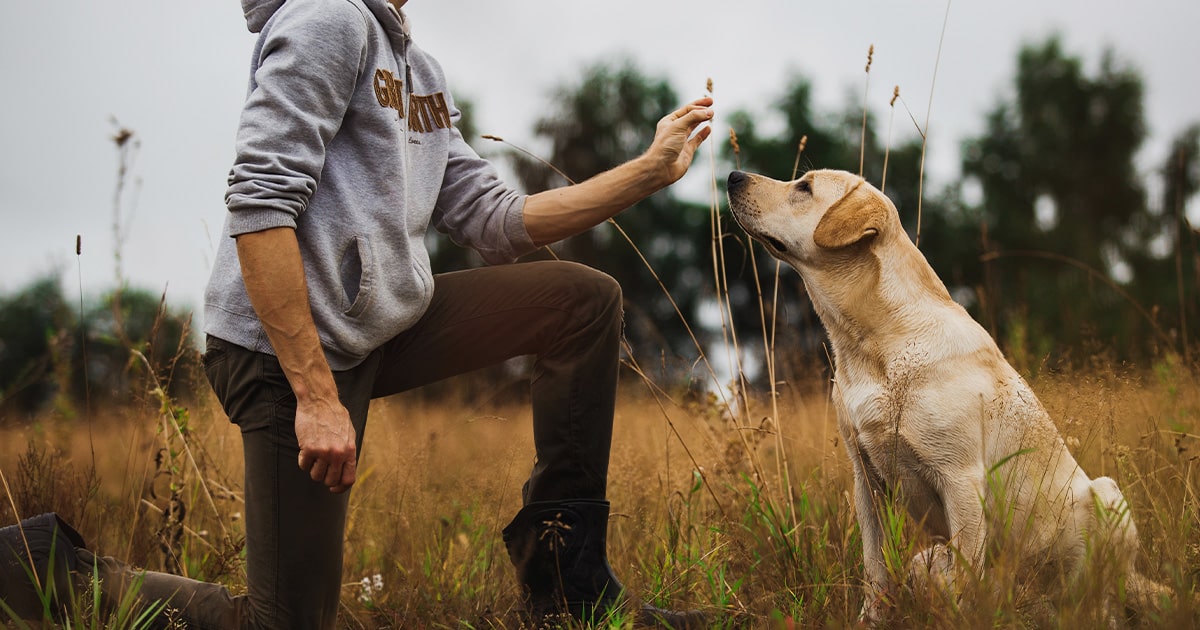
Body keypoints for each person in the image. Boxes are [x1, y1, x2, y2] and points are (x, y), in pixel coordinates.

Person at [0, 0, 714, 628]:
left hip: (379, 329)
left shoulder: (419, 71)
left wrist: (647, 172)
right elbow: (258, 203)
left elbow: (496, 220)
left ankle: (567, 587)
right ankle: (29, 567)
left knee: (580, 302)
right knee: (285, 623)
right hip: (283, 353)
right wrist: (314, 396)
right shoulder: (326, 20)